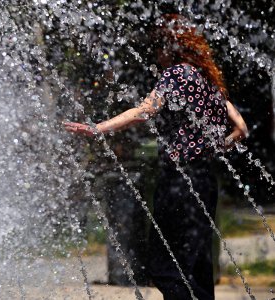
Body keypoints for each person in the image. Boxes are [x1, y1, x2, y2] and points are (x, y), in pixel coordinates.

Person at [64, 14, 248, 300]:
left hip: (178, 182)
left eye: (159, 48)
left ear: (172, 47)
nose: (157, 55)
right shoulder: (210, 84)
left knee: (164, 266)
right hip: (204, 180)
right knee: (197, 266)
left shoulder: (176, 75)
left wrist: (97, 128)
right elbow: (241, 128)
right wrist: (212, 147)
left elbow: (143, 111)